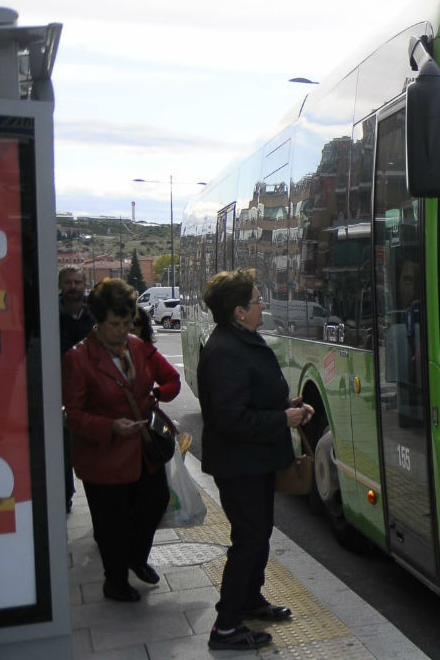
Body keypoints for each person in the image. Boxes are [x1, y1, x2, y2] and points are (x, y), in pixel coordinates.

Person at [198, 269, 313, 651]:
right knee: (248, 541)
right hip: (239, 465)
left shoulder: (239, 340)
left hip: (254, 461)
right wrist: (282, 419)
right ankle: (226, 627)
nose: (263, 305)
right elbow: (231, 418)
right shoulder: (224, 351)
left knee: (258, 534)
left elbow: (252, 398)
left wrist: (288, 407)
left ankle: (249, 601)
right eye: (257, 300)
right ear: (239, 311)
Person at [62, 278, 181, 602]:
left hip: (142, 450)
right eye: (115, 324)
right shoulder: (79, 358)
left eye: (127, 323)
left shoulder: (138, 346)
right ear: (98, 321)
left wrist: (156, 394)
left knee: (154, 503)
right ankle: (115, 582)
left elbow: (171, 378)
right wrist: (111, 426)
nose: (122, 331)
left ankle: (136, 558)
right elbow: (73, 414)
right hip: (104, 457)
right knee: (111, 524)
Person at [59, 265, 94, 513]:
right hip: (58, 390)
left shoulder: (94, 314)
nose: (73, 287)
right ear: (60, 285)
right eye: (68, 282)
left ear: (84, 285)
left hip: (90, 391)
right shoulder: (49, 312)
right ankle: (64, 494)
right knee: (62, 447)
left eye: (77, 282)